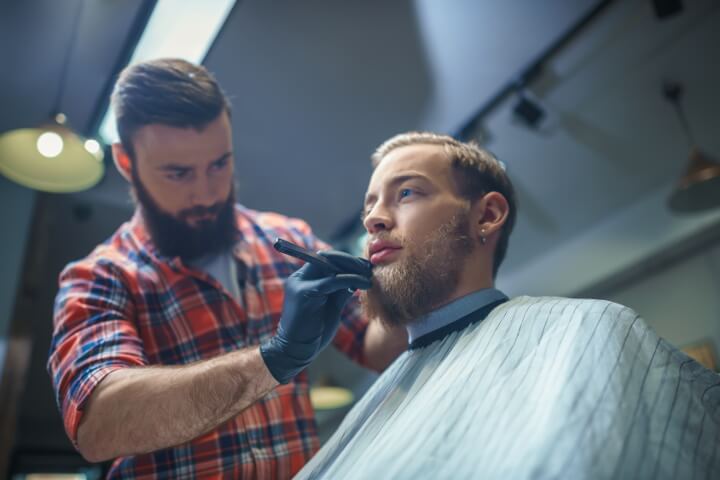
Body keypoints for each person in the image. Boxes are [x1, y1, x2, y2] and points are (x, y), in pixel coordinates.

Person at [47, 58, 407, 479]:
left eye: (219, 164)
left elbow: (375, 345)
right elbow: (99, 425)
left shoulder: (290, 239)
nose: (206, 192)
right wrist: (275, 359)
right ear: (127, 163)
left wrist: (413, 276)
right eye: (178, 173)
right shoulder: (99, 277)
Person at [295, 132, 720, 479]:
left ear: (487, 216)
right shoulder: (382, 400)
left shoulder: (588, 329)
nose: (372, 219)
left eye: (406, 192)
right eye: (370, 205)